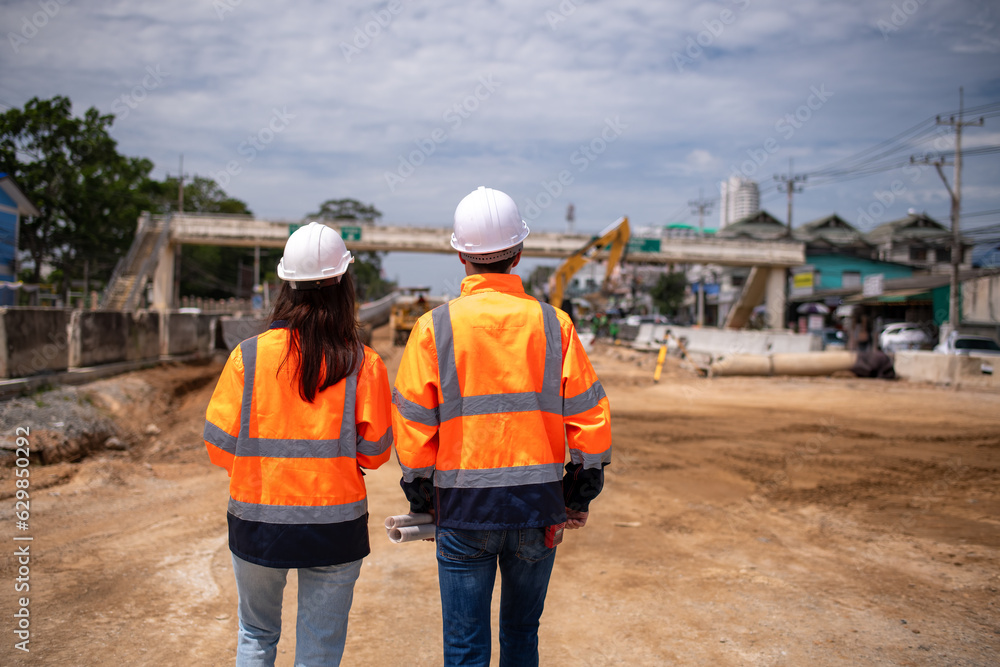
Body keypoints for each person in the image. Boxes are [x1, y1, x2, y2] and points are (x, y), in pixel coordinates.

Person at [392, 186, 612, 666]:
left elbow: (412, 429)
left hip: (463, 512)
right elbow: (590, 419)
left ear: (460, 254)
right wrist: (578, 494)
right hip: (538, 508)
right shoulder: (554, 325)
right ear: (518, 253)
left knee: (466, 647)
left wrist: (422, 496)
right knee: (520, 636)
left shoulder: (434, 328)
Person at [204, 222, 393, 666]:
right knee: (319, 649)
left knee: (256, 634)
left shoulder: (247, 356)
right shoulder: (364, 364)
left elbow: (219, 448)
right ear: (346, 284)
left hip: (256, 519)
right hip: (335, 528)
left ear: (285, 283)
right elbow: (377, 452)